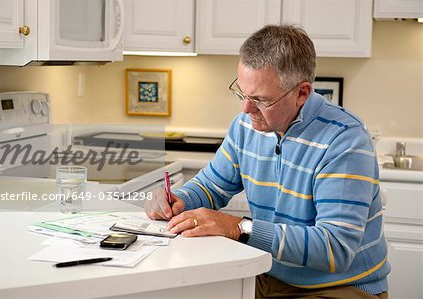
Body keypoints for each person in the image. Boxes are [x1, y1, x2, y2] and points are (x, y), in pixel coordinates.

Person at [145, 24, 389, 298]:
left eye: (260, 100)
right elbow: (212, 186)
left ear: (302, 93)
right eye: (242, 93)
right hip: (266, 273)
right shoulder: (245, 126)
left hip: (338, 286)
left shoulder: (345, 140)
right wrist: (177, 199)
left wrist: (239, 227)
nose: (245, 109)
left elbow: (335, 248)